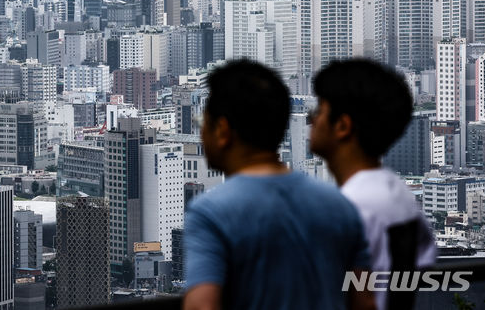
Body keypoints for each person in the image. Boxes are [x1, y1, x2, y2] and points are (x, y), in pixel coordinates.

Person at [183, 59, 375, 310]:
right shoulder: (341, 206)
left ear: (222, 130)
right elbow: (366, 302)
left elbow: (202, 306)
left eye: (203, 123)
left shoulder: (210, 213)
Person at [310, 59, 436, 310]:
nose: (312, 119)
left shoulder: (349, 208)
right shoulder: (398, 195)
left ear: (343, 126)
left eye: (320, 109)